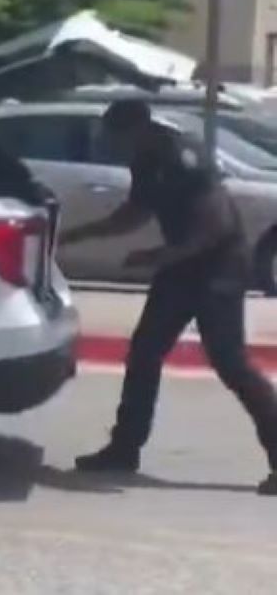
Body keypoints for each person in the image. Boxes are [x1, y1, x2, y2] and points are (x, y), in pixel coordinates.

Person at [59, 99, 277, 496]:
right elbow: (135, 213)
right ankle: (124, 448)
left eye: (115, 137)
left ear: (136, 129)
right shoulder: (145, 159)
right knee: (144, 352)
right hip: (182, 264)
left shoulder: (182, 155)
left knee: (231, 363)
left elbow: (216, 225)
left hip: (220, 266)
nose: (112, 146)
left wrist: (159, 256)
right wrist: (82, 234)